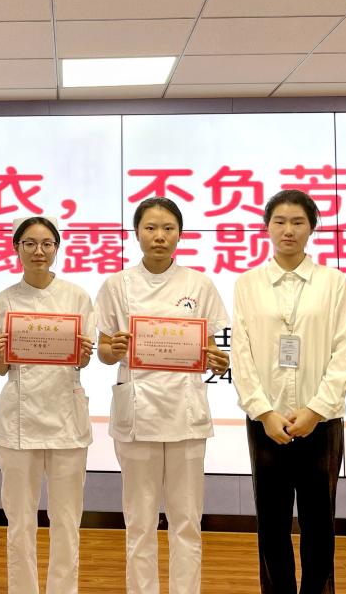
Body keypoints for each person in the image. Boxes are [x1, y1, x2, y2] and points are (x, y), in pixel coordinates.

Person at [95, 196, 231, 594]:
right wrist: (114, 349)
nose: (159, 236)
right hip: (138, 413)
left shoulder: (198, 285)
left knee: (186, 520)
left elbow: (211, 349)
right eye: (151, 228)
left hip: (185, 413)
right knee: (139, 521)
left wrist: (219, 361)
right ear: (136, 233)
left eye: (168, 228)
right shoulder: (117, 285)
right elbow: (103, 351)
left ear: (180, 234)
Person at [231, 189, 346, 594]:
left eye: (298, 222)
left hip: (321, 422)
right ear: (267, 227)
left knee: (320, 523)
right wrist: (263, 411)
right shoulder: (248, 283)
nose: (289, 230)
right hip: (266, 423)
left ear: (311, 228)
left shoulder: (333, 283)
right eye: (280, 221)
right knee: (271, 523)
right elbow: (241, 354)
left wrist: (316, 410)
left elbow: (344, 351)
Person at [0, 216, 95, 594]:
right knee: (20, 522)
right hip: (18, 418)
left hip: (66, 417)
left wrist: (83, 355)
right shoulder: (1, 301)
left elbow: (82, 360)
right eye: (29, 243)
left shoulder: (77, 297)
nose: (38, 251)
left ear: (57, 248)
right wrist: (1, 356)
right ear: (16, 248)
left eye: (47, 244)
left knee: (67, 521)